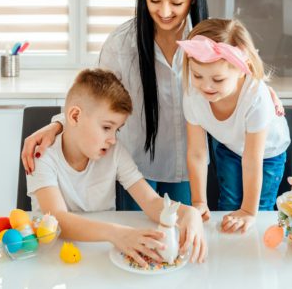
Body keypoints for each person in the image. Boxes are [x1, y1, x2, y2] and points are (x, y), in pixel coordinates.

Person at [23, 0, 208, 208]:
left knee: (182, 235)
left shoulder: (207, 42)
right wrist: (58, 124)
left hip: (191, 165)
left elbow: (238, 87)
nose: (165, 11)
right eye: (154, 0)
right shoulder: (122, 43)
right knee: (136, 237)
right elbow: (97, 99)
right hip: (134, 164)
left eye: (176, 2)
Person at [27, 68, 206, 266]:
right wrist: (116, 233)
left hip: (101, 255)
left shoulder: (114, 152)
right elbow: (58, 220)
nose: (112, 139)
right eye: (106, 127)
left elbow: (151, 202)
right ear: (75, 116)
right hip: (53, 259)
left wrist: (188, 213)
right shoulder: (43, 156)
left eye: (116, 129)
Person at [178, 19, 290, 235]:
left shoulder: (256, 98)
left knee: (259, 211)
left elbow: (252, 159)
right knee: (229, 205)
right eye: (197, 75)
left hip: (267, 154)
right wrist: (199, 201)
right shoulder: (193, 94)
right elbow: (197, 153)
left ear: (242, 70)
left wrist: (248, 211)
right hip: (229, 145)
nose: (205, 86)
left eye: (218, 79)